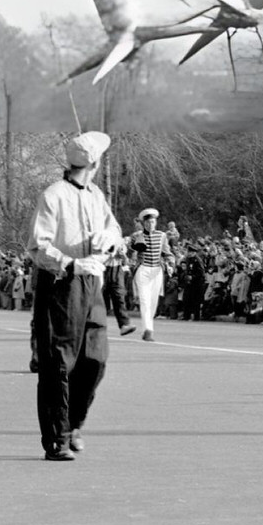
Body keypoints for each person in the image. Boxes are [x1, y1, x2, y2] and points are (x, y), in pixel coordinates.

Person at [28, 130, 123, 462]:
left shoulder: (96, 195)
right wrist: (69, 264)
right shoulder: (53, 195)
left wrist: (107, 240)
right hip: (61, 284)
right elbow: (38, 247)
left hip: (92, 282)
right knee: (59, 363)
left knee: (96, 358)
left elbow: (116, 231)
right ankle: (58, 437)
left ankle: (74, 422)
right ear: (94, 162)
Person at [128, 208, 175, 341]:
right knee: (144, 300)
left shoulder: (162, 235)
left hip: (157, 270)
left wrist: (170, 263)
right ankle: (148, 330)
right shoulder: (137, 235)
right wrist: (135, 241)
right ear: (144, 223)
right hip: (143, 269)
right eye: (148, 222)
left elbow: (167, 252)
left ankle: (149, 325)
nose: (150, 225)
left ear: (156, 223)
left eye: (153, 222)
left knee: (153, 301)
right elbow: (130, 249)